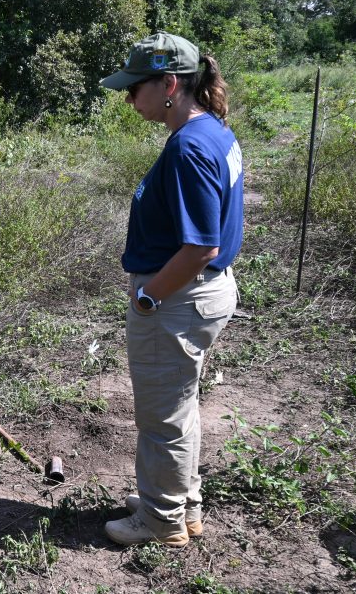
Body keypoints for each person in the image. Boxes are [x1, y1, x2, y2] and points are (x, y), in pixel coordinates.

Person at [99, 32, 243, 547]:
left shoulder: (189, 148)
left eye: (135, 86)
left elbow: (200, 245)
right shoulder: (211, 132)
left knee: (162, 416)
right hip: (200, 295)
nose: (128, 97)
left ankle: (161, 522)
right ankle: (183, 502)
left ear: (170, 84)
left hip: (180, 297)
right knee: (179, 407)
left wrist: (148, 297)